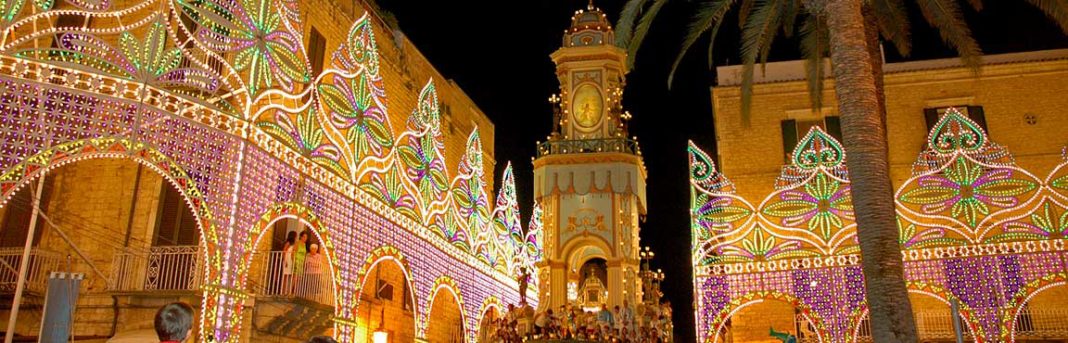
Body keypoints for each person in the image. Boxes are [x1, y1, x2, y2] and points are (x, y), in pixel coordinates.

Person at [292, 231, 309, 295]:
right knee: (295, 278)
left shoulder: (304, 245)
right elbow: (293, 252)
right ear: (301, 237)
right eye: (304, 237)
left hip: (302, 262)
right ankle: (291, 291)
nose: (305, 238)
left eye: (306, 237)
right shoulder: (297, 243)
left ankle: (295, 292)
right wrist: (294, 261)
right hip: (297, 261)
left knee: (299, 278)